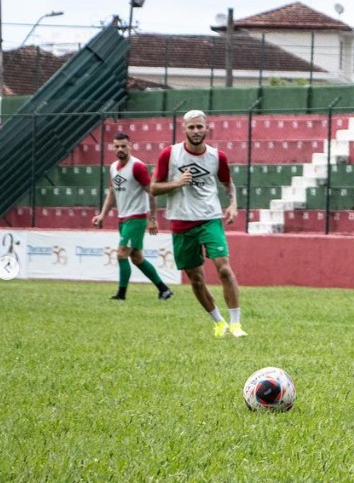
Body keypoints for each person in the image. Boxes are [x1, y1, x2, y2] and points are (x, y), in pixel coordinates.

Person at [150, 110, 247, 338]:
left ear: (206, 128)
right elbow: (153, 188)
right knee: (196, 278)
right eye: (191, 127)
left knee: (224, 268)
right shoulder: (170, 155)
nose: (196, 131)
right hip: (181, 223)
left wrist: (233, 205)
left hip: (209, 218)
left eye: (199, 127)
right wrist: (177, 182)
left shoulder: (217, 157)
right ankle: (219, 322)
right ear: (184, 129)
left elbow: (228, 184)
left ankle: (236, 324)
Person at [92, 132, 173, 301]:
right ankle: (164, 289)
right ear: (113, 147)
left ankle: (121, 295)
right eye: (117, 146)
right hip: (123, 218)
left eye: (123, 146)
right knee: (136, 258)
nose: (120, 149)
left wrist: (152, 219)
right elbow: (112, 193)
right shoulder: (114, 167)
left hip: (136, 218)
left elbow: (151, 192)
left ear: (130, 146)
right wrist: (102, 214)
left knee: (122, 254)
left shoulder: (137, 167)